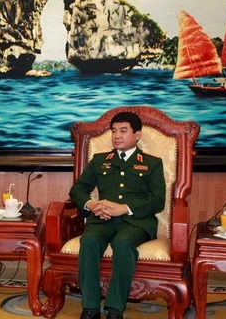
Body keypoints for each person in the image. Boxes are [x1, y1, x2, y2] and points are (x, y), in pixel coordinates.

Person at [69, 112, 166, 319]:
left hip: (137, 222)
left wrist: (124, 208)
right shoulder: (100, 160)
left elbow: (158, 201)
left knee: (123, 242)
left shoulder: (151, 163)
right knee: (90, 240)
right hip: (103, 219)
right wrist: (92, 204)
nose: (117, 136)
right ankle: (90, 307)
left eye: (123, 131)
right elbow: (78, 189)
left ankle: (114, 309)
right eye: (114, 131)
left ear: (137, 135)